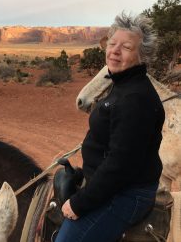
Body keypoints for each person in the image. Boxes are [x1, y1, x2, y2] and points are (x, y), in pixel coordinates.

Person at [55, 12, 165, 242]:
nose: (115, 50)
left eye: (125, 47)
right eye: (112, 43)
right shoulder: (123, 84)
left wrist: (80, 203)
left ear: (142, 56)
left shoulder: (135, 98)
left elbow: (120, 166)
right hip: (112, 183)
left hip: (127, 193)